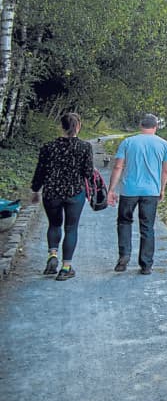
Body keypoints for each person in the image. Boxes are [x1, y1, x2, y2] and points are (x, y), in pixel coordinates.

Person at [30, 112, 95, 281]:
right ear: (78, 127)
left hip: (52, 192)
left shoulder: (48, 147)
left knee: (54, 224)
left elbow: (40, 171)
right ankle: (66, 268)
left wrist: (35, 190)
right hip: (75, 193)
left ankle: (52, 255)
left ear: (61, 126)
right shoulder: (85, 147)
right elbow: (88, 173)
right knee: (71, 228)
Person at [107, 113, 167, 275]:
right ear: (156, 127)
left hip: (129, 190)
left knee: (124, 222)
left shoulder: (128, 142)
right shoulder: (164, 144)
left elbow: (118, 167)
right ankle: (146, 265)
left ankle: (124, 257)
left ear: (140, 126)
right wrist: (162, 189)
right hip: (151, 192)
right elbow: (165, 170)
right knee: (147, 227)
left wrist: (111, 189)